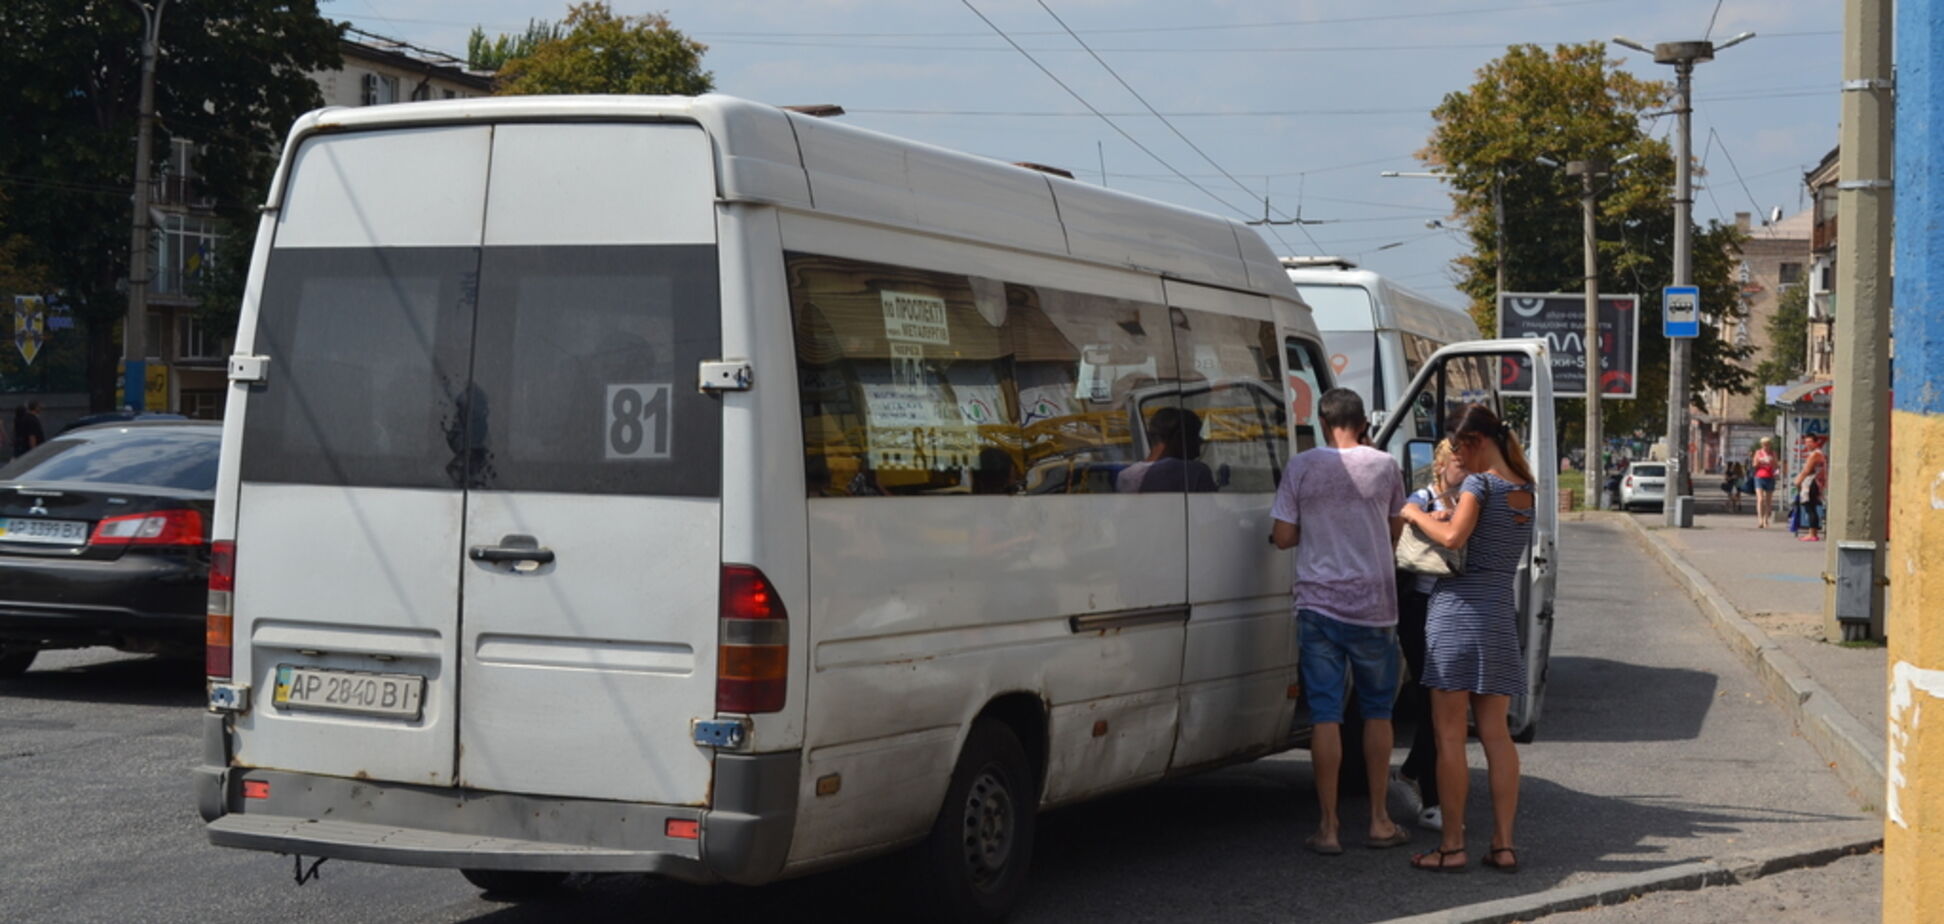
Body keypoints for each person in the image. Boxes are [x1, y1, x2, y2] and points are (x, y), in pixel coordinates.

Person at [1270, 387, 1410, 855]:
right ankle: (1378, 820)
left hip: (1318, 605)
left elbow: (1283, 536)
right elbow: (1396, 530)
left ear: (1324, 423)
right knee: (1377, 712)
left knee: (1325, 714)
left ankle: (1328, 828)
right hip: (1374, 605)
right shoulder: (1386, 465)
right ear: (1363, 423)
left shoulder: (1302, 465)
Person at [1398, 404, 1535, 874]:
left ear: (1474, 442)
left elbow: (1454, 538)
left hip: (1456, 616)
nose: (1460, 459)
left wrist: (1415, 513)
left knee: (1450, 736)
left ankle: (1451, 847)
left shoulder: (1480, 484)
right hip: (1499, 616)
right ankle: (1504, 844)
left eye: (1458, 448)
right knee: (1497, 737)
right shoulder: (1525, 488)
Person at [1398, 438, 1466, 833]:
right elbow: (1401, 524)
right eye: (1458, 464)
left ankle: (1410, 774)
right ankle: (1431, 797)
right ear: (1440, 465)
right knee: (1430, 701)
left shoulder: (1471, 502)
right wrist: (1428, 518)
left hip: (1455, 608)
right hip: (1420, 608)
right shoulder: (1420, 498)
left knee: (1447, 704)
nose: (1465, 471)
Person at [1117, 405, 1218, 493]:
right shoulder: (1196, 472)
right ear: (1179, 438)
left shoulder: (1125, 476)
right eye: (1195, 436)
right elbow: (1210, 511)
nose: (1200, 442)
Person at [1795, 433, 1828, 542]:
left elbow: (1807, 470)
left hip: (1812, 482)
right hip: (1813, 482)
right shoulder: (1814, 453)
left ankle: (1813, 533)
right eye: (1806, 442)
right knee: (1810, 507)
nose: (1807, 444)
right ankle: (1811, 532)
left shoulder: (1816, 454)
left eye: (1810, 442)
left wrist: (1798, 481)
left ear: (1816, 442)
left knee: (1810, 507)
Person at [1751, 437, 1780, 529]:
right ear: (1761, 445)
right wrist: (1760, 461)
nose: (1766, 446)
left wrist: (1772, 461)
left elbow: (1776, 466)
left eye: (1767, 444)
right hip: (1759, 477)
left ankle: (1765, 519)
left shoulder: (1773, 453)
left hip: (1770, 477)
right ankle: (1760, 519)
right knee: (1760, 499)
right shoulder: (1758, 452)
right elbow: (1754, 465)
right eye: (1764, 444)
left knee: (1768, 501)